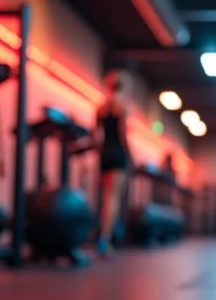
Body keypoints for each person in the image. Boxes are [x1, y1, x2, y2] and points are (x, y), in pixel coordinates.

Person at [96, 70, 132, 257]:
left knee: (105, 198)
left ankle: (104, 235)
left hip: (104, 154)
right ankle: (105, 238)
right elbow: (123, 135)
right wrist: (129, 155)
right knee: (113, 199)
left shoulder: (101, 107)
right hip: (118, 154)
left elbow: (97, 135)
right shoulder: (122, 107)